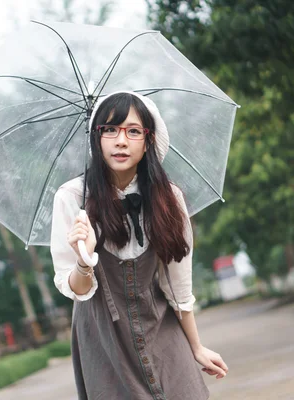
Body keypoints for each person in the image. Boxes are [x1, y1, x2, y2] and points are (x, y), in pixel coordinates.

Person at [50, 91, 228, 400]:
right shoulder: (72, 198)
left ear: (148, 141)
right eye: (110, 130)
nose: (121, 141)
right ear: (97, 138)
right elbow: (76, 289)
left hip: (160, 324)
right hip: (103, 339)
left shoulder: (168, 198)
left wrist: (196, 347)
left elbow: (177, 285)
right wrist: (84, 259)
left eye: (133, 131)